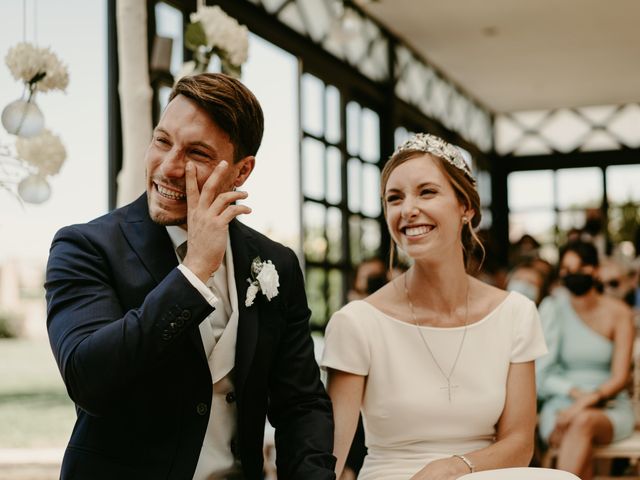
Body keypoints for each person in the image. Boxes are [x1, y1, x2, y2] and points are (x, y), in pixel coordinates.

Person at [45, 73, 335, 480]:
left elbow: (301, 404)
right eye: (163, 141)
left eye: (196, 153)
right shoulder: (85, 247)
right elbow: (89, 380)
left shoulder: (276, 263)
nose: (168, 167)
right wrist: (194, 271)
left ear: (242, 171)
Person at [322, 133, 548, 480]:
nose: (408, 209)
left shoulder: (515, 313)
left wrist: (453, 467)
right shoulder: (357, 323)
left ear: (466, 207)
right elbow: (329, 459)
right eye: (394, 198)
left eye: (427, 192)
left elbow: (519, 443)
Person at [536, 240, 635, 480]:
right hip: (561, 405)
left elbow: (621, 377)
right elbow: (541, 373)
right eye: (566, 270)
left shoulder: (619, 313)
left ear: (596, 270)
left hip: (609, 406)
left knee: (583, 422)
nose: (573, 275)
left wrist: (585, 402)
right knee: (579, 436)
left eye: (580, 268)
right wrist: (573, 394)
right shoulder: (553, 308)